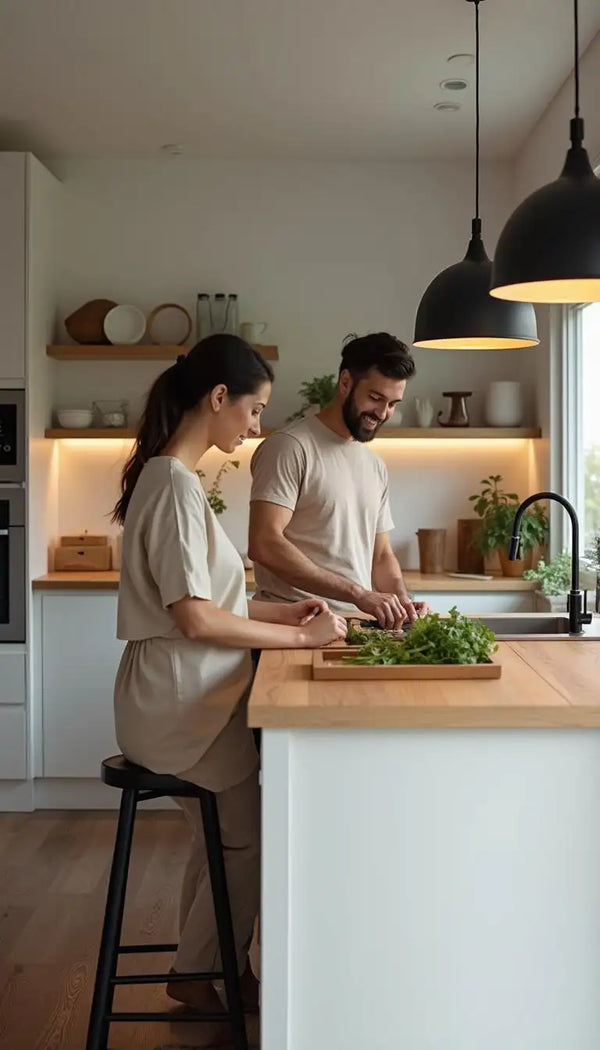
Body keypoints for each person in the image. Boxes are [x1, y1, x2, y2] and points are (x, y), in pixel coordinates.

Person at [112, 334, 346, 1047]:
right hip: (179, 705)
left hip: (184, 695)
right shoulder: (174, 484)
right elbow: (194, 617)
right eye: (254, 410)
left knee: (227, 834)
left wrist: (287, 613)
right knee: (253, 841)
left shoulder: (173, 479)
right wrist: (303, 641)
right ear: (219, 399)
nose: (254, 426)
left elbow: (220, 603)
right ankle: (205, 966)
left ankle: (211, 963)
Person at [249, 332, 429, 629]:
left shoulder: (374, 465)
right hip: (293, 626)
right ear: (345, 382)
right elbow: (264, 543)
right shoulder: (290, 446)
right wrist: (359, 594)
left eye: (393, 403)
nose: (383, 413)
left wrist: (402, 604)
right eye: (375, 398)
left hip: (352, 626)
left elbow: (380, 555)